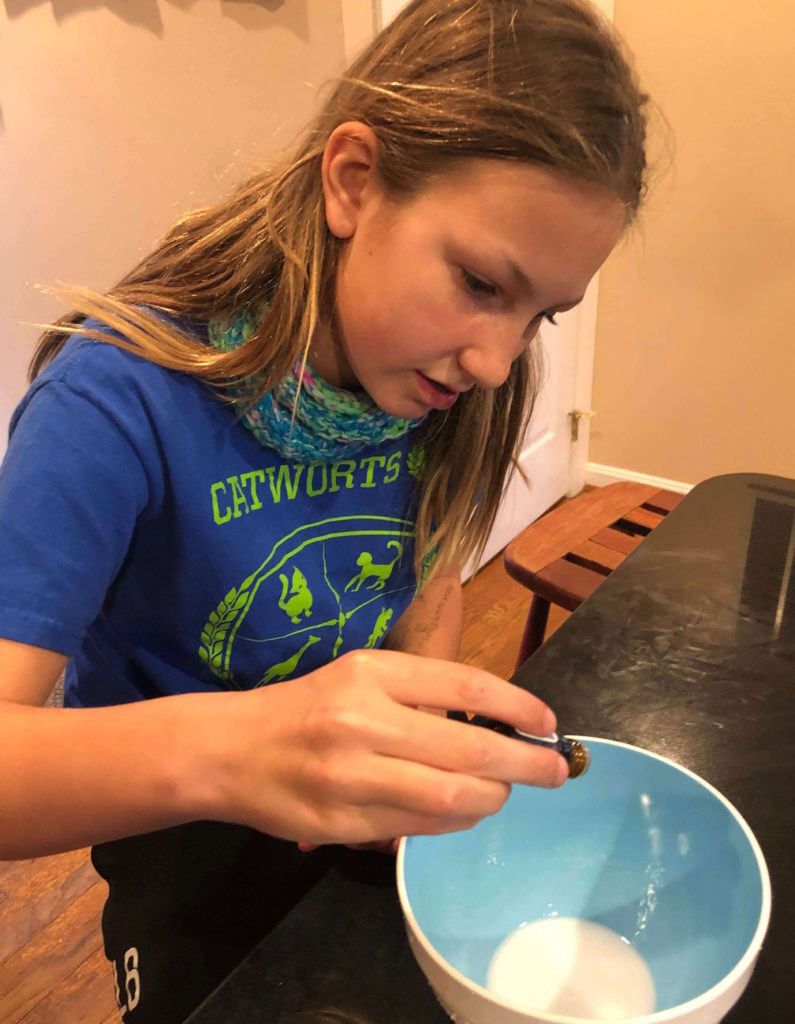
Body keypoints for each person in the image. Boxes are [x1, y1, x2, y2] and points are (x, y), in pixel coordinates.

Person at [0, 0, 648, 1020]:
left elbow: (429, 593)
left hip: (359, 829)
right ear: (353, 181)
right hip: (183, 844)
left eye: (540, 314)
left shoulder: (453, 386)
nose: (496, 360)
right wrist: (250, 747)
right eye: (482, 282)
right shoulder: (112, 406)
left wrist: (423, 723)